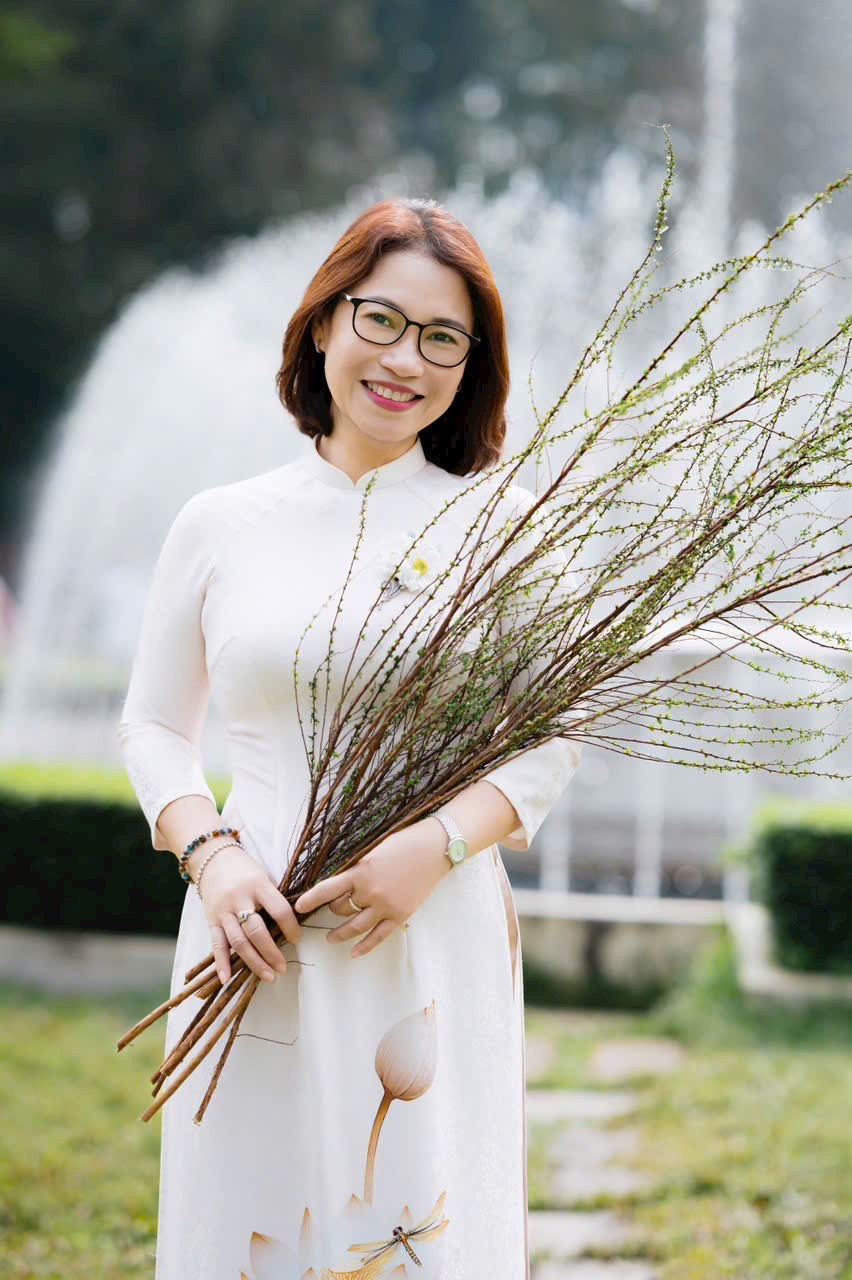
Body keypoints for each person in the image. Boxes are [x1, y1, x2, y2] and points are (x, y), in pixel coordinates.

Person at [118, 197, 581, 1280]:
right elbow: (153, 724)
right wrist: (212, 858)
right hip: (250, 931)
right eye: (380, 319)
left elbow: (555, 732)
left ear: (472, 364)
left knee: (413, 1220)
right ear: (324, 320)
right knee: (251, 1221)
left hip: (425, 926)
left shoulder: (502, 529)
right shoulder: (221, 522)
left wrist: (438, 846)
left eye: (443, 338)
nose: (404, 360)